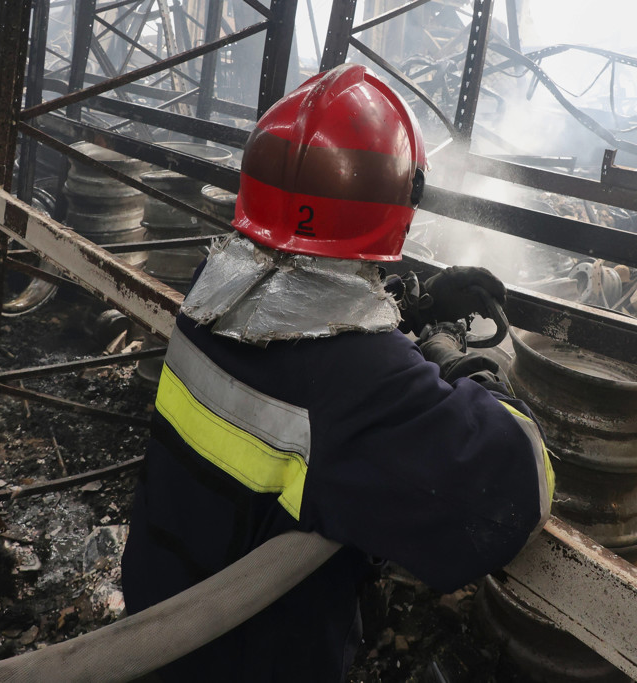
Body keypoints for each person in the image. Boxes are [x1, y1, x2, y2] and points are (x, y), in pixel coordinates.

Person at [121, 63, 554, 682]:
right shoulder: (360, 383)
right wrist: (454, 357)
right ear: (401, 204)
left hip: (157, 620)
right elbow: (522, 482)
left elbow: (301, 310)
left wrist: (412, 304)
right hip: (251, 659)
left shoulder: (208, 292)